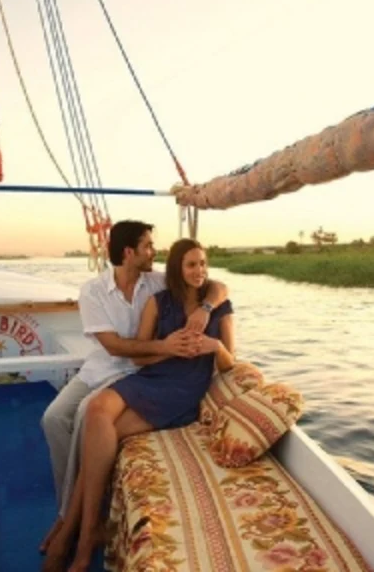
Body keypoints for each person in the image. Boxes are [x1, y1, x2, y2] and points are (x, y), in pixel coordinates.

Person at [43, 238, 235, 572]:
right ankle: (87, 530)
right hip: (151, 377)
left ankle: (77, 534)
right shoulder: (158, 302)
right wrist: (168, 346)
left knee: (100, 441)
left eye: (203, 263)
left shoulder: (219, 305)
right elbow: (140, 356)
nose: (199, 271)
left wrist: (214, 345)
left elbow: (230, 362)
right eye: (191, 265)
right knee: (96, 411)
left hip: (182, 390)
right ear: (177, 268)